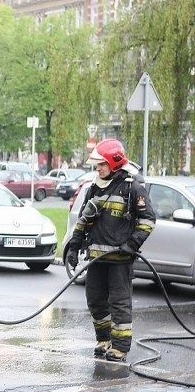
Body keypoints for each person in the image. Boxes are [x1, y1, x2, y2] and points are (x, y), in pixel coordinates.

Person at [66, 139, 155, 362]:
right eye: (97, 165)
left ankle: (120, 348)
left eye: (101, 164)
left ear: (114, 163)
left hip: (120, 259)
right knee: (95, 300)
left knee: (119, 303)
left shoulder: (132, 187)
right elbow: (84, 220)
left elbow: (148, 220)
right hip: (97, 258)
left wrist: (132, 245)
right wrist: (73, 247)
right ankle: (104, 340)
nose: (98, 169)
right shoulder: (95, 187)